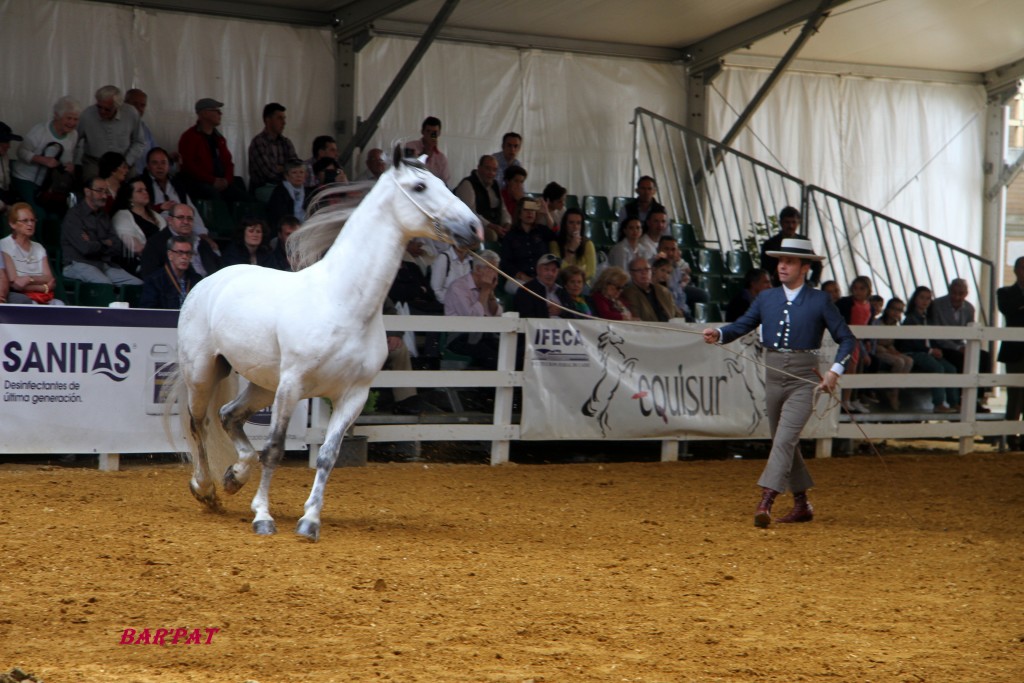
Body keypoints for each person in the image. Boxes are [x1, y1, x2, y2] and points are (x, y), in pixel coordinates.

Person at [703, 237, 856, 528]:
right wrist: (720, 334)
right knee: (784, 441)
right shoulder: (766, 298)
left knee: (784, 439)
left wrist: (834, 371)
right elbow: (743, 325)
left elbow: (847, 339)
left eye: (790, 262)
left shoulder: (820, 300)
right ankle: (802, 504)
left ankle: (767, 499)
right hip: (773, 375)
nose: (782, 266)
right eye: (780, 261)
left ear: (805, 268)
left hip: (804, 378)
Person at [60, 175, 142, 285]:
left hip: (102, 265)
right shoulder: (74, 215)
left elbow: (117, 246)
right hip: (78, 264)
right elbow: (86, 248)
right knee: (105, 284)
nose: (104, 196)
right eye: (99, 191)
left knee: (137, 284)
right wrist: (106, 243)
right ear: (87, 192)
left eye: (106, 192)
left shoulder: (104, 216)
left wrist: (94, 241)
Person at [11, 97, 80, 223]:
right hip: (25, 178)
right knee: (38, 213)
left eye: (75, 119)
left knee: (55, 215)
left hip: (49, 184)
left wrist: (70, 166)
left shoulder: (73, 135)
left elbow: (68, 157)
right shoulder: (40, 130)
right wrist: (42, 160)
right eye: (69, 118)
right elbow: (21, 151)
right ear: (57, 116)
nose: (72, 123)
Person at [928, 278, 991, 412]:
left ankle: (976, 398)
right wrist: (958, 348)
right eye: (954, 293)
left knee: (984, 357)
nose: (957, 297)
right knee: (959, 359)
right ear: (949, 291)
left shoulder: (969, 308)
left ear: (966, 294)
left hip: (959, 345)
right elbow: (936, 333)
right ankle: (959, 399)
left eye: (961, 294)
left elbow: (971, 332)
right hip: (941, 345)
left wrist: (969, 347)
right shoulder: (937, 305)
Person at [896, 285, 959, 414]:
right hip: (914, 352)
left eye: (928, 298)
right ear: (915, 299)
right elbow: (913, 342)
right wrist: (930, 351)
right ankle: (938, 403)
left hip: (927, 352)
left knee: (951, 369)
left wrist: (935, 349)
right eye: (922, 298)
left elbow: (931, 338)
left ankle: (954, 402)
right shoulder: (911, 318)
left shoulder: (928, 319)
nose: (925, 301)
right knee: (938, 368)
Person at [178, 98, 246, 202]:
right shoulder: (189, 137)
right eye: (217, 111)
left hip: (219, 182)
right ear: (204, 113)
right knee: (214, 196)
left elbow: (228, 163)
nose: (220, 114)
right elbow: (189, 166)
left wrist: (226, 180)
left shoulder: (219, 138)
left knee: (244, 197)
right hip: (199, 183)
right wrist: (212, 180)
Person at [443, 249, 503, 369]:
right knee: (491, 355)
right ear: (478, 269)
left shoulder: (486, 286)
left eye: (497, 269)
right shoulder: (458, 287)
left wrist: (490, 292)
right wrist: (485, 291)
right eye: (492, 269)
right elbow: (471, 320)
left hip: (485, 334)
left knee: (509, 350)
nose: (496, 273)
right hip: (460, 337)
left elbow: (497, 315)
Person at [74, 85, 145, 181]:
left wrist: (127, 162)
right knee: (93, 184)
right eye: (99, 107)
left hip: (124, 161)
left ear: (117, 107)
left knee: (133, 185)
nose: (102, 111)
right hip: (95, 162)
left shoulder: (131, 113)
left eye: (107, 109)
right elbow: (73, 139)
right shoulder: (87, 115)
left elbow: (139, 141)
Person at [140, 147, 210, 236]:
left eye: (163, 162)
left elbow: (191, 211)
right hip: (156, 234)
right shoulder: (142, 185)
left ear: (169, 165)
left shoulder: (178, 184)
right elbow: (139, 212)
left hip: (183, 233)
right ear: (148, 166)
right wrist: (159, 208)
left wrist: (202, 234)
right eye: (155, 163)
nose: (160, 167)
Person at [139, 203, 219, 278]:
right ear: (170, 220)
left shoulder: (201, 242)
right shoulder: (156, 243)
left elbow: (218, 265)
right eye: (180, 217)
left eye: (189, 218)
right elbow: (150, 275)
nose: (186, 222)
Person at [1, 203, 59, 304]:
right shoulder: (4, 245)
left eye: (32, 220)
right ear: (12, 224)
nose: (30, 224)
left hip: (41, 296)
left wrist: (29, 279)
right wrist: (43, 287)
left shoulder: (39, 248)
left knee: (59, 304)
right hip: (19, 296)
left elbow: (49, 278)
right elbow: (15, 284)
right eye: (25, 221)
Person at [835, 275, 875, 414]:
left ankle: (849, 399)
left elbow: (868, 325)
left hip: (858, 341)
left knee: (854, 369)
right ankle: (843, 400)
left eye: (862, 288)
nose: (858, 291)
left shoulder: (870, 307)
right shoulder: (845, 303)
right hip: (845, 339)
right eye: (855, 288)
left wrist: (867, 340)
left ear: (868, 290)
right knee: (847, 368)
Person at [500, 197, 555, 296]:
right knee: (528, 291)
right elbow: (505, 263)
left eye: (532, 210)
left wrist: (546, 213)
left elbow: (555, 234)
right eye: (526, 210)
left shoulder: (541, 231)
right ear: (519, 213)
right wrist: (522, 276)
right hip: (518, 280)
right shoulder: (510, 236)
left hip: (541, 278)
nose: (530, 213)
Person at [111, 176, 166, 275]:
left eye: (145, 190)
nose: (145, 192)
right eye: (140, 191)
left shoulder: (155, 215)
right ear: (129, 197)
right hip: (139, 264)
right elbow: (135, 247)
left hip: (162, 261)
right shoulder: (122, 216)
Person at [997, 257, 1024, 447]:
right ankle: (1011, 437)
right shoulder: (1004, 292)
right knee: (1014, 394)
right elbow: (1008, 310)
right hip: (1015, 350)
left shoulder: (1008, 293)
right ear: (1015, 270)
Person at [760, 206, 822, 286]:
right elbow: (766, 270)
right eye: (787, 222)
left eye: (794, 222)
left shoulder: (803, 241)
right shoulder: (770, 244)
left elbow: (817, 265)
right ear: (781, 223)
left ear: (798, 223)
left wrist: (812, 283)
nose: (791, 226)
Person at [453, 155, 509, 241]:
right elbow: (469, 214)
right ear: (479, 168)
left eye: (494, 170)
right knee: (492, 235)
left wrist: (507, 223)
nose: (491, 173)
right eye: (487, 168)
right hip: (472, 227)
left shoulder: (495, 185)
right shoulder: (468, 184)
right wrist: (490, 225)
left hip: (495, 225)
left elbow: (503, 209)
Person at [249, 103, 298, 201]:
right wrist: (286, 168)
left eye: (284, 118)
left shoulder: (286, 142)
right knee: (285, 197)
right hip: (264, 188)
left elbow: (296, 168)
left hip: (284, 186)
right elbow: (269, 173)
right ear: (268, 120)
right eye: (279, 118)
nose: (284, 122)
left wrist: (280, 168)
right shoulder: (259, 142)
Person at [871, 298, 914, 411]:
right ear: (888, 309)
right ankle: (892, 391)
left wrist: (893, 350)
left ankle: (896, 388)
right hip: (878, 351)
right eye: (894, 309)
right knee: (899, 362)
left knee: (909, 361)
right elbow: (874, 343)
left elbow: (890, 343)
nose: (896, 312)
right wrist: (887, 350)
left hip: (887, 350)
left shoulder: (895, 325)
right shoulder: (877, 323)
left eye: (899, 310)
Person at [139, 235, 203, 309]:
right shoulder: (154, 281)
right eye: (180, 253)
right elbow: (148, 310)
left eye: (188, 253)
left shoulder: (196, 280)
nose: (184, 257)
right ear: (170, 255)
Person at [620, 255, 682, 322]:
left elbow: (677, 314)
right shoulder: (629, 293)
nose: (644, 273)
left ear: (651, 271)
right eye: (639, 270)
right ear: (631, 273)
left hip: (671, 326)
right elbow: (637, 320)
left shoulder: (663, 290)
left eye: (647, 269)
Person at [514, 253, 572, 318]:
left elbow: (576, 316)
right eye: (546, 269)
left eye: (554, 270)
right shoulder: (526, 291)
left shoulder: (562, 292)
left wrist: (561, 311)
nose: (550, 274)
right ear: (538, 270)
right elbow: (525, 317)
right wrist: (546, 310)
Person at [550, 208, 596, 284]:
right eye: (571, 223)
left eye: (578, 223)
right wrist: (571, 250)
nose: (575, 226)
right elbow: (558, 270)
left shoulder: (588, 244)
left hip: (582, 284)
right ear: (565, 225)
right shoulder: (555, 244)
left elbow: (591, 272)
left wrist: (575, 281)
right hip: (562, 283)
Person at [402, 116, 449, 185]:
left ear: (439, 133)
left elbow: (444, 182)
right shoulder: (410, 146)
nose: (431, 135)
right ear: (422, 131)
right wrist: (426, 152)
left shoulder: (441, 158)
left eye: (434, 132)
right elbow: (408, 171)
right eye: (428, 131)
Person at [267, 159, 309, 230]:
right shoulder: (279, 191)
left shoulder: (308, 192)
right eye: (294, 172)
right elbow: (279, 216)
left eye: (301, 172)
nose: (298, 175)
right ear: (286, 176)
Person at [125, 89, 158, 175]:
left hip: (143, 177)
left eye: (142, 105)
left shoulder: (145, 129)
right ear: (125, 104)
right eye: (135, 104)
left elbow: (155, 153)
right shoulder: (115, 126)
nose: (138, 108)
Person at [0, 122, 21, 223]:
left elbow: (6, 183)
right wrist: (4, 207)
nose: (9, 146)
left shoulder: (4, 156)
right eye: (6, 142)